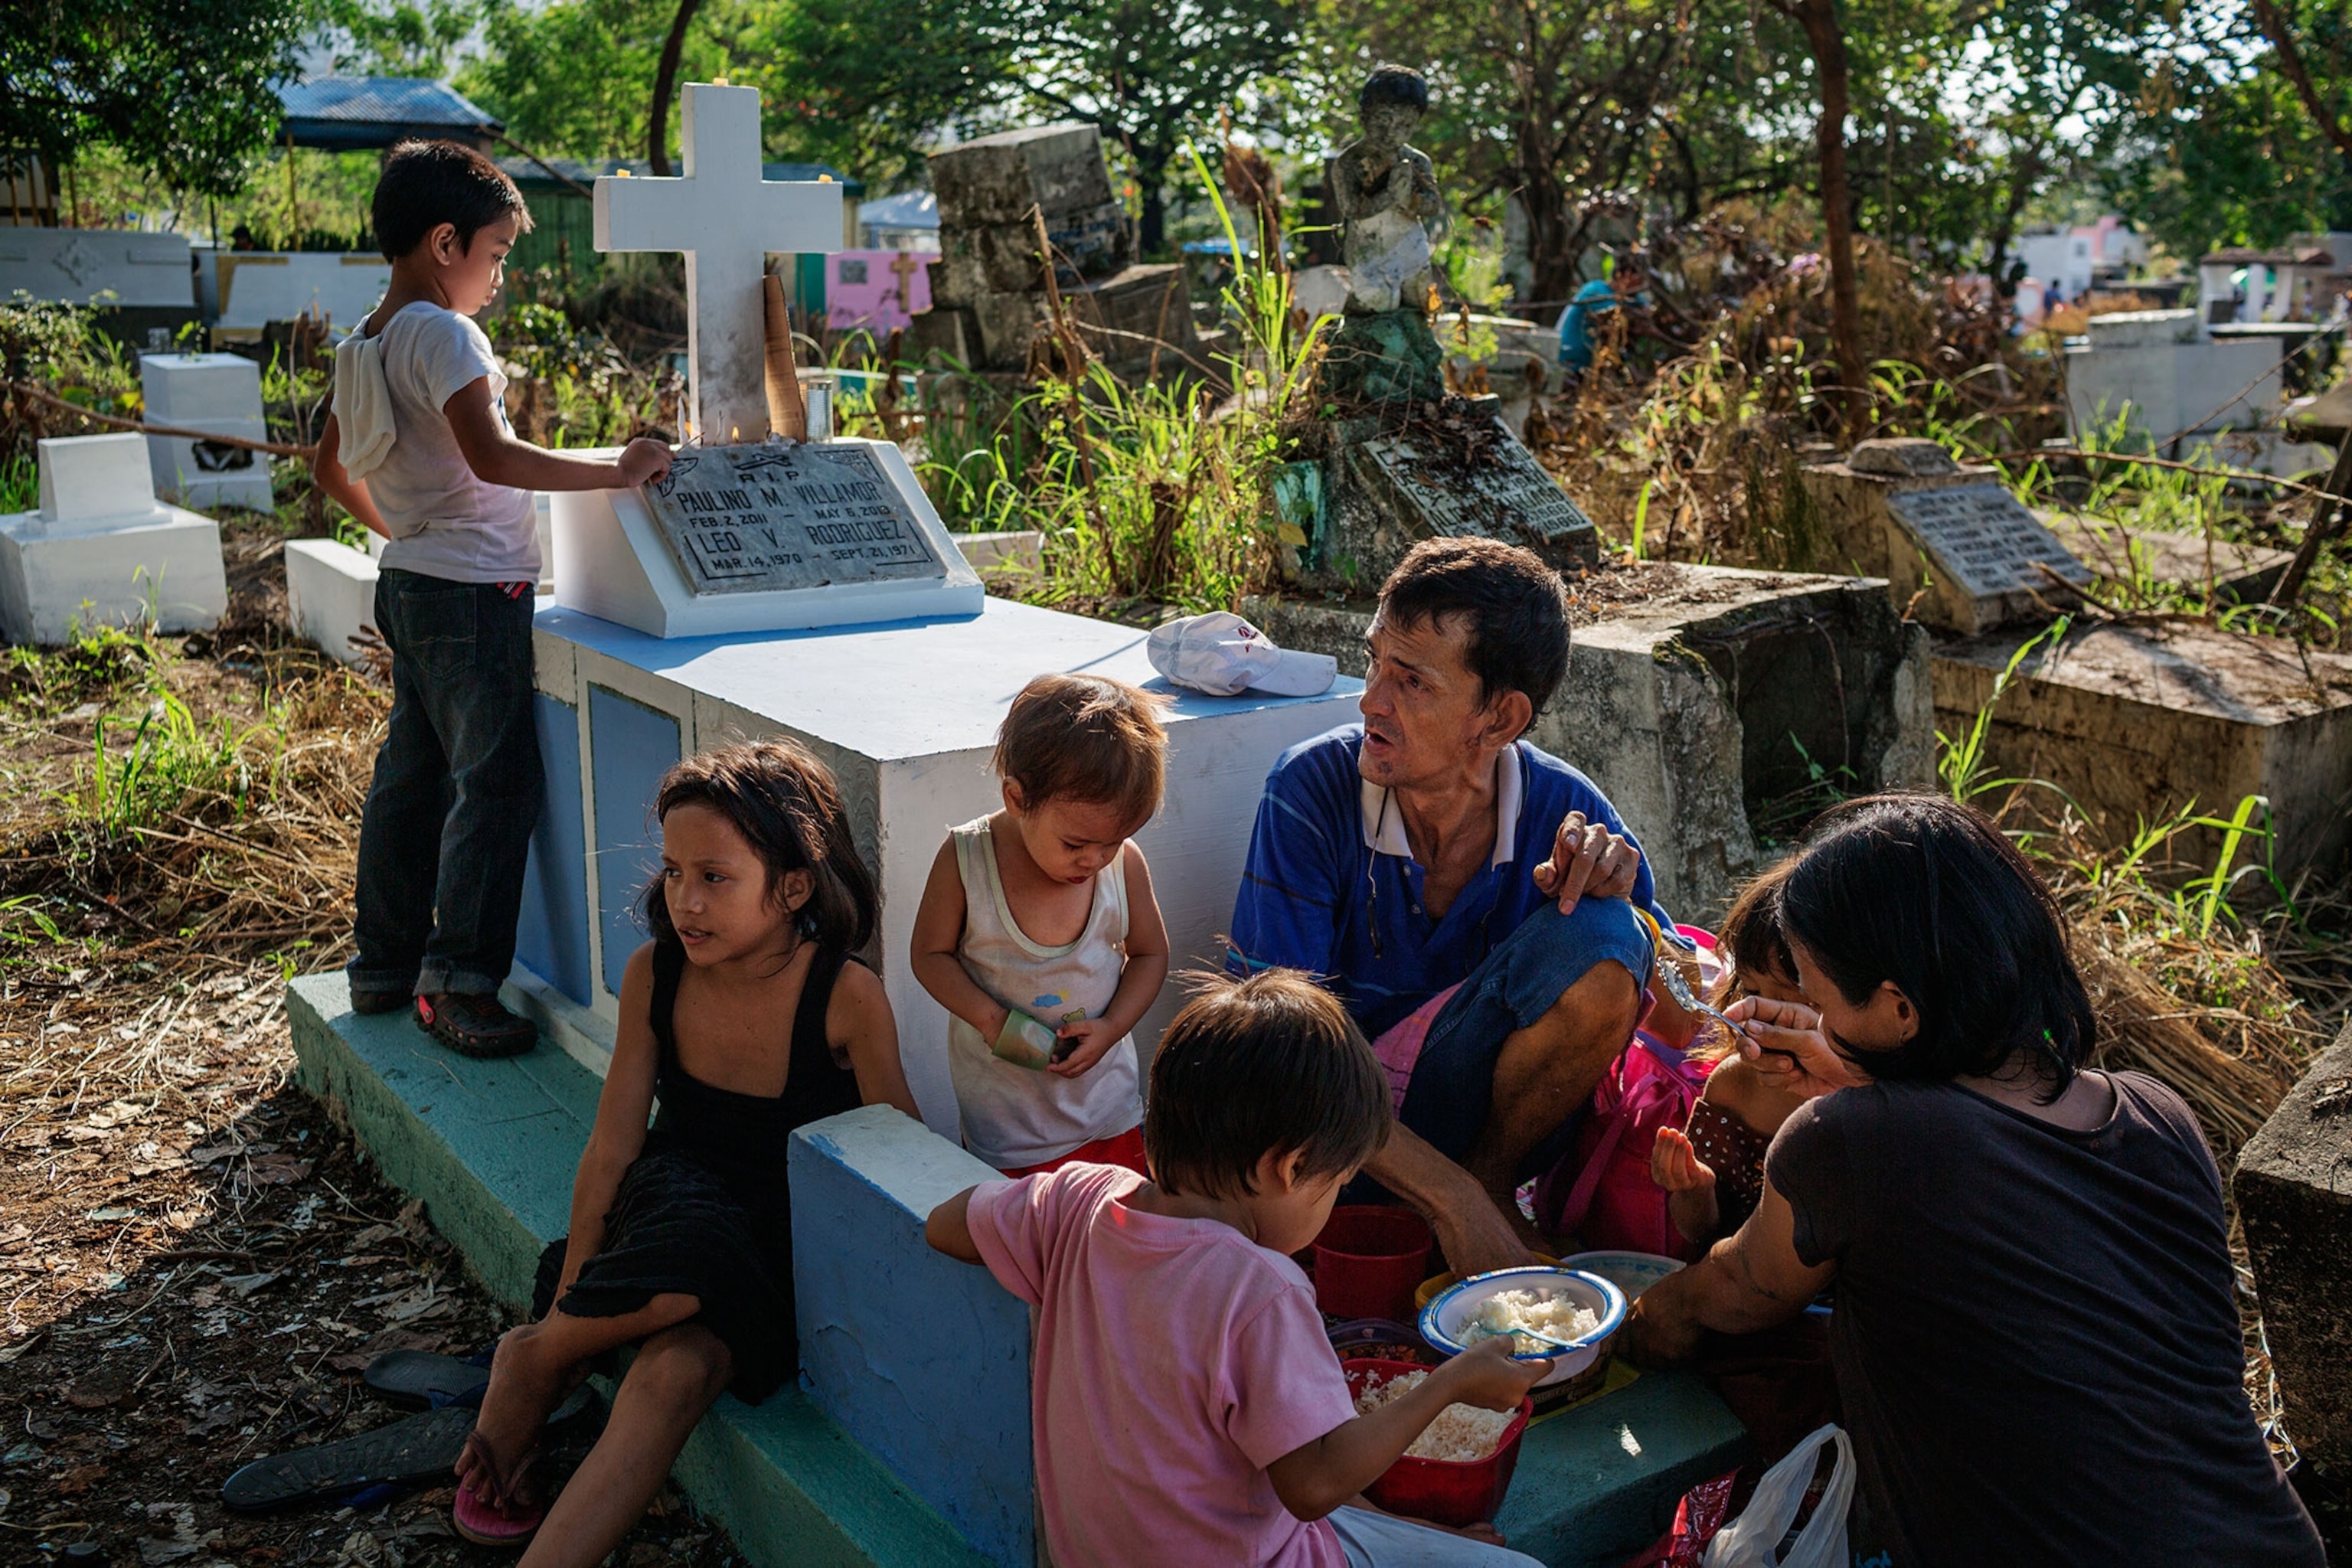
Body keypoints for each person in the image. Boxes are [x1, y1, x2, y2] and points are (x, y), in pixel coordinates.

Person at [1620, 795, 2325, 1567]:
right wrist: (1858, 1079)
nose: (1807, 1028)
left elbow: (1731, 1293)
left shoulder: (1854, 1140)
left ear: (1897, 1008)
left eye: (1818, 1005)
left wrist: (1632, 1323)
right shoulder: (2162, 1116)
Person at [449, 740, 920, 1557]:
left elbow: (904, 1156)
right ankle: (545, 1349)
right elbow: (611, 1148)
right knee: (690, 1252)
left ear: (793, 886)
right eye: (673, 871)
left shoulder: (844, 996)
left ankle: (538, 1408)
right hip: (673, 1200)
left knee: (677, 1374)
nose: (685, 901)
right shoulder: (656, 974)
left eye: (714, 876)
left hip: (776, 1235)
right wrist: (569, 1295)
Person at [924, 969, 1552, 1568]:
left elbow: (945, 1225)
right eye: (1334, 1185)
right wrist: (1452, 1383)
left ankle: (1408, 1537)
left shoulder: (1077, 1205)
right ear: (1287, 1169)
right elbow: (1313, 1483)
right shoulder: (1262, 1291)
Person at [1228, 535, 1684, 1278]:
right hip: (1331, 1141)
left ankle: (1498, 1187)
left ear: (1500, 718)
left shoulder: (1565, 806)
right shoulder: (1310, 791)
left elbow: (1682, 1024)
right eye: (1374, 659)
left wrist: (1626, 902)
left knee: (1606, 929)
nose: (1372, 697)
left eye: (1412, 681)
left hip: (1487, 1140)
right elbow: (1277, 1052)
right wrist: (1454, 1200)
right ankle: (1471, 1206)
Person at [314, 139, 673, 1056]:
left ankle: (383, 965)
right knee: (495, 785)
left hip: (417, 584)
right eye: (497, 254)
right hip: (473, 594)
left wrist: (406, 533)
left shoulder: (368, 338)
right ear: (445, 243)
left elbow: (327, 467)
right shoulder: (443, 332)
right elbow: (493, 457)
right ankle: (461, 981)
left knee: (412, 779)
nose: (499, 277)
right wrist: (615, 469)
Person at [910, 674, 1171, 1175]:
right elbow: (929, 956)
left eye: (1113, 841)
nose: (1095, 860)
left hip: (1108, 1118)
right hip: (1009, 1131)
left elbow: (1150, 954)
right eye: (1076, 844)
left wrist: (1114, 1026)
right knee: (1019, 1247)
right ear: (1017, 799)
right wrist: (989, 1019)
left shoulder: (1124, 865)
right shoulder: (968, 860)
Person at [1649, 862, 1811, 1246]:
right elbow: (1703, 1234)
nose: (1763, 1017)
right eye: (1753, 992)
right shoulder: (1732, 1087)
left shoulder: (1872, 1098)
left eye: (1792, 999)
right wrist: (1694, 1189)